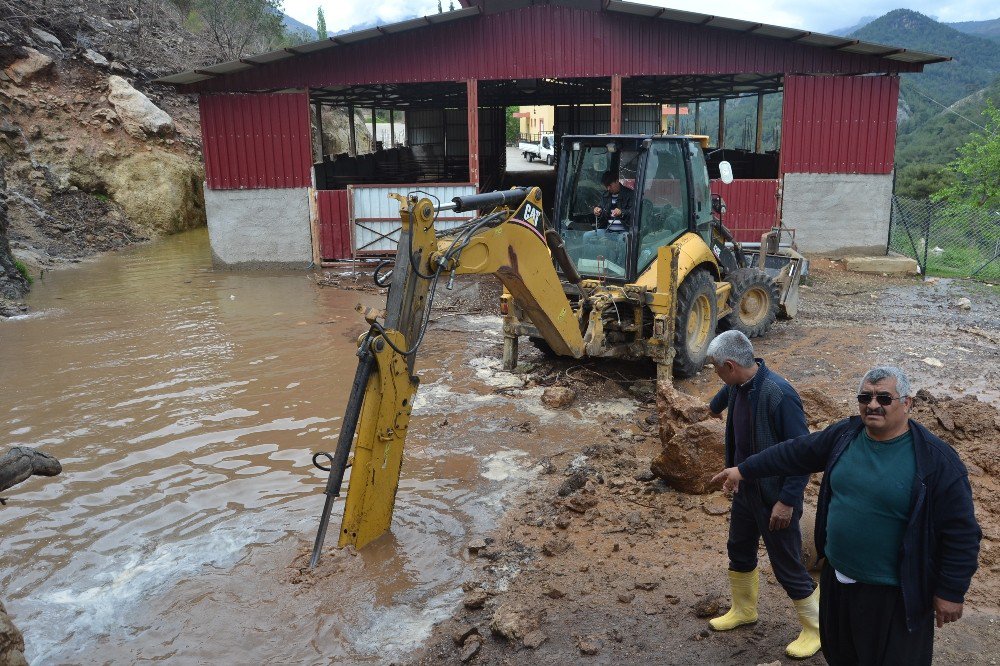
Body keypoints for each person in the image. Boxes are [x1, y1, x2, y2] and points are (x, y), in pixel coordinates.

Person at [712, 366, 981, 666]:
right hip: (838, 583)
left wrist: (951, 590)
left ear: (907, 403)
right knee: (841, 656)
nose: (873, 404)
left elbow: (962, 533)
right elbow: (794, 452)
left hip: (895, 595)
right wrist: (744, 469)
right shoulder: (845, 435)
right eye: (865, 397)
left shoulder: (937, 461)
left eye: (884, 398)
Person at [703, 330, 820, 659]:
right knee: (738, 550)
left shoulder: (778, 394)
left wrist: (787, 501)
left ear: (730, 364)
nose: (715, 374)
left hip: (774, 497)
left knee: (786, 565)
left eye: (715, 368)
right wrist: (712, 407)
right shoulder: (738, 383)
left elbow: (804, 454)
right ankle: (744, 610)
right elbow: (722, 399)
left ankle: (816, 627)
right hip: (745, 489)